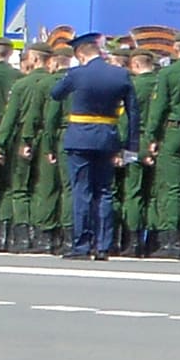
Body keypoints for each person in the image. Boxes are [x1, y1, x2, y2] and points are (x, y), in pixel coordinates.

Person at [55, 36, 138, 258]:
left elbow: (56, 94)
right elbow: (133, 114)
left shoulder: (77, 74)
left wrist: (70, 75)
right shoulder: (120, 74)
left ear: (80, 55)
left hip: (80, 139)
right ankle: (103, 246)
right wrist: (130, 149)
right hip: (108, 139)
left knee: (82, 191)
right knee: (104, 191)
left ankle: (81, 245)